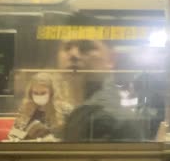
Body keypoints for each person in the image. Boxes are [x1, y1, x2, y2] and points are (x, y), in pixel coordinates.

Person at [61, 13, 143, 142]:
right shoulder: (82, 111)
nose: (73, 54)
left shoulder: (106, 118)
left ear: (111, 58)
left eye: (86, 47)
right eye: (67, 47)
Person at [8, 73, 72, 141]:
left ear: (52, 93)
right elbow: (13, 135)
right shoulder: (26, 109)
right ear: (30, 93)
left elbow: (72, 137)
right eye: (35, 93)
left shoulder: (64, 110)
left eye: (43, 93)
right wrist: (26, 135)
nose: (39, 96)